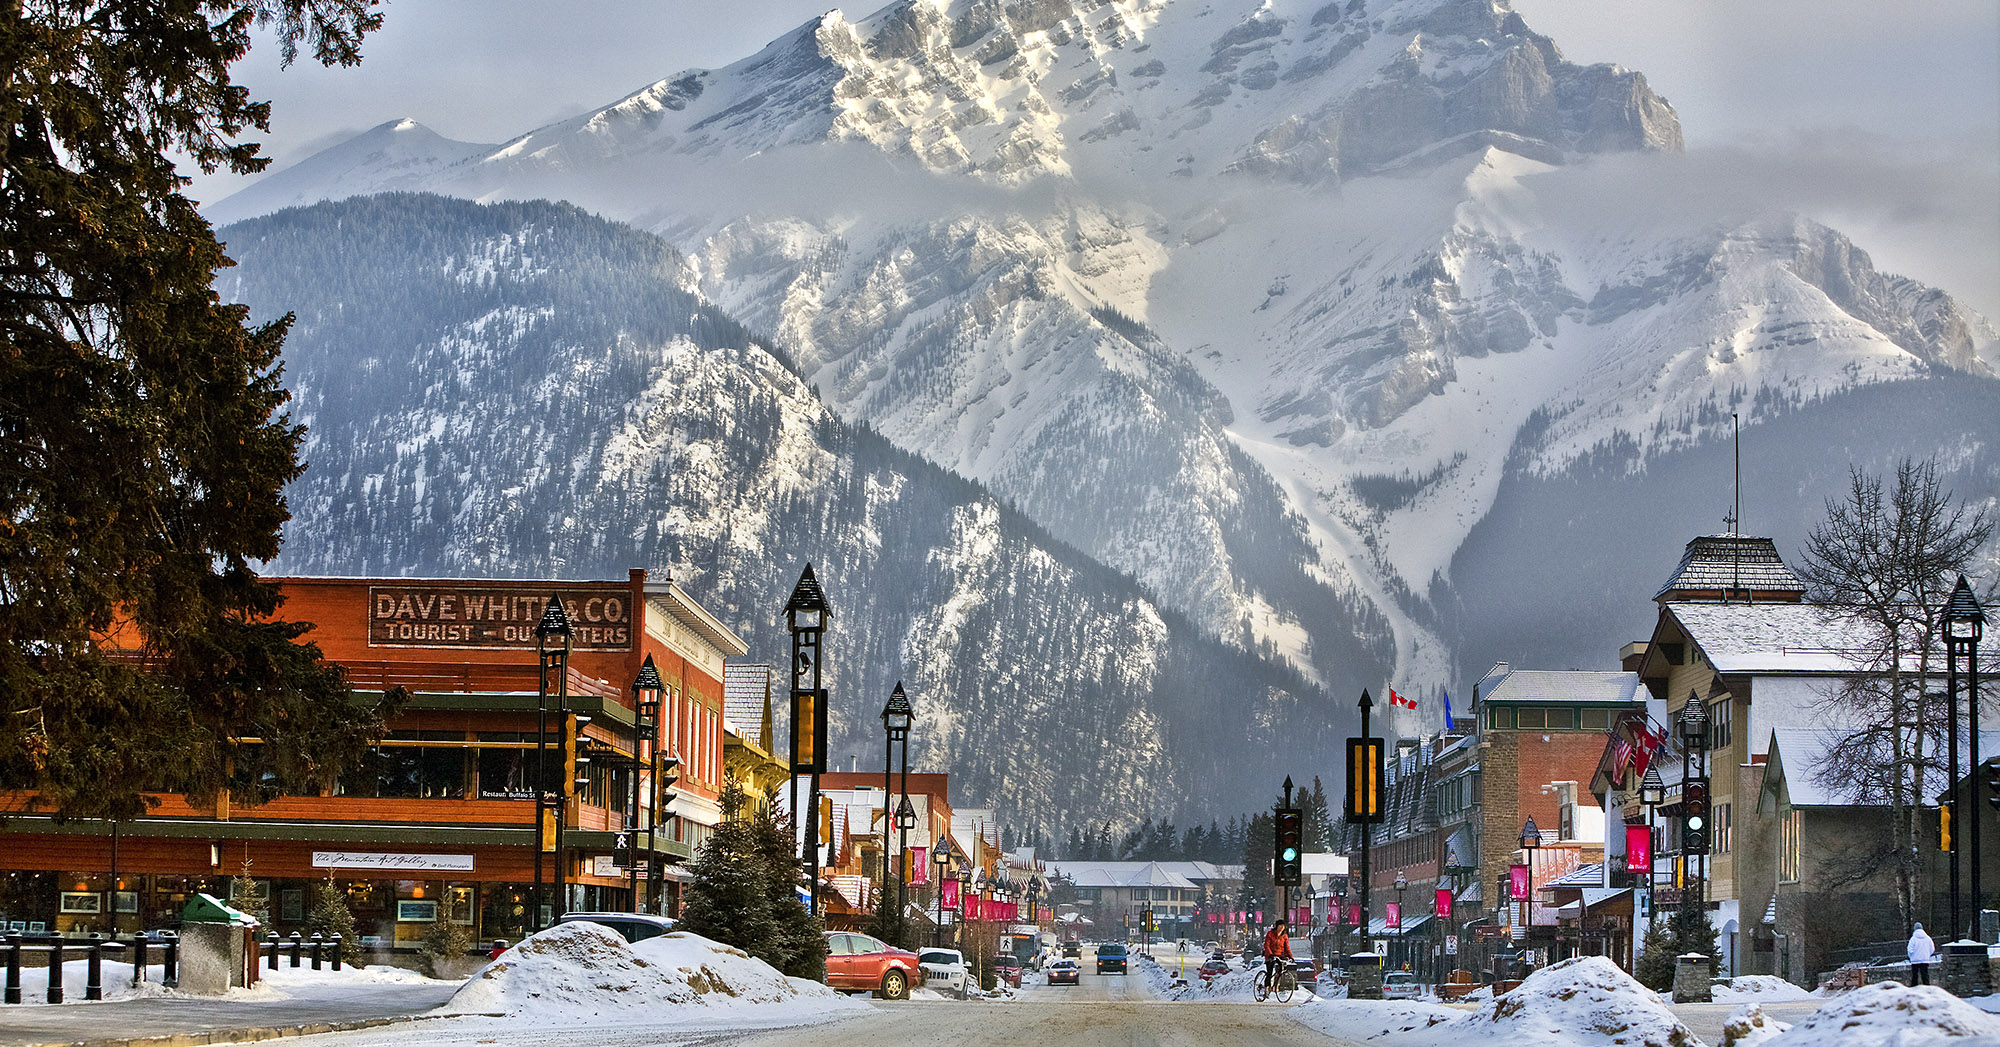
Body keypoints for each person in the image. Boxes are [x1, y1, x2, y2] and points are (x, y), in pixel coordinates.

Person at [1261, 919, 1293, 989]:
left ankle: (1277, 984)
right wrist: (1270, 954)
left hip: (1279, 955)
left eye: (1283, 926)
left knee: (1282, 969)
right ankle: (1267, 987)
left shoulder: (1284, 936)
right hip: (1270, 955)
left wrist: (1290, 957)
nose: (1282, 927)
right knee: (1269, 972)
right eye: (1280, 925)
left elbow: (1286, 948)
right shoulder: (1270, 934)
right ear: (1277, 926)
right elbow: (1267, 945)